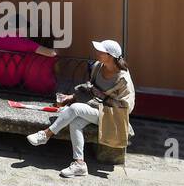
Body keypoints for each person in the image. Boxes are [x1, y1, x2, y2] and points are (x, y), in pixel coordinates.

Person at [27, 39, 136, 178]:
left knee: (75, 108)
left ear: (110, 56)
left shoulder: (123, 79)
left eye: (101, 51)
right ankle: (80, 164)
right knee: (75, 122)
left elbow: (126, 107)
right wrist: (72, 97)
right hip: (93, 108)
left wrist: (102, 103)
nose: (97, 52)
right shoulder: (98, 67)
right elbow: (91, 89)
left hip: (110, 116)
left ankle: (46, 134)